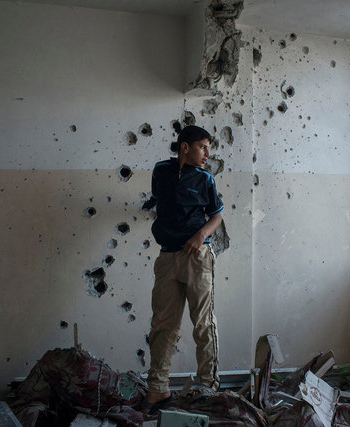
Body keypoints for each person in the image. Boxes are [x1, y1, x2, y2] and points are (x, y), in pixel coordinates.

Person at [141, 125, 224, 415]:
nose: (207, 153)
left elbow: (217, 214)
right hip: (167, 258)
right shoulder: (160, 171)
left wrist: (200, 236)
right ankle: (158, 389)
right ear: (185, 147)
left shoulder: (205, 179)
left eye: (208, 148)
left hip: (197, 258)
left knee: (203, 324)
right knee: (163, 326)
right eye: (203, 147)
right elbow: (160, 202)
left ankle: (207, 387)